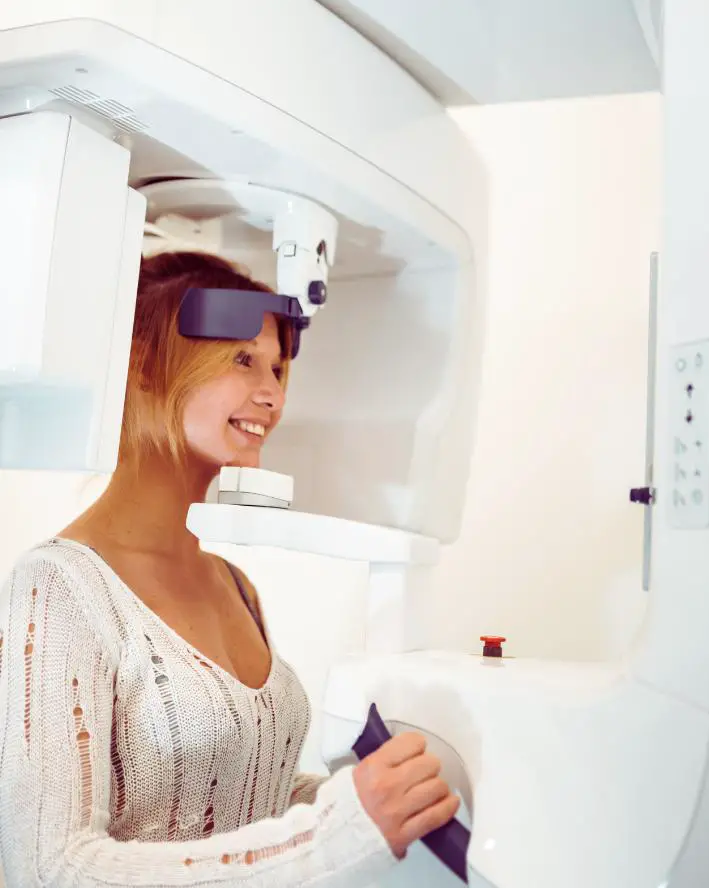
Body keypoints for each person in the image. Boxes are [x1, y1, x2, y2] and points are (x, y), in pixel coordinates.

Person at [0, 251, 459, 887]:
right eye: (242, 360)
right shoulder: (58, 588)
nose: (271, 395)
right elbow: (48, 869)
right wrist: (332, 838)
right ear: (141, 362)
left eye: (276, 368)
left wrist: (358, 797)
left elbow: (240, 794)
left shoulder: (234, 584)